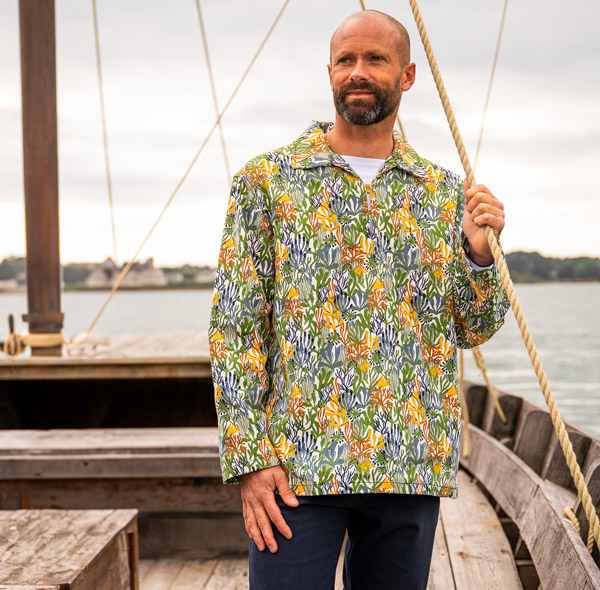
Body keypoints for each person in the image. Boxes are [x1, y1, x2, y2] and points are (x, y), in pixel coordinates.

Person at [209, 9, 509, 590]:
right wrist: (250, 460)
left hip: (408, 463)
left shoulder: (444, 194)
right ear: (329, 72)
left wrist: (478, 255)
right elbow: (235, 330)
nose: (358, 71)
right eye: (345, 59)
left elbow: (474, 327)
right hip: (296, 467)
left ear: (408, 75)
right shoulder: (266, 181)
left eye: (375, 59)